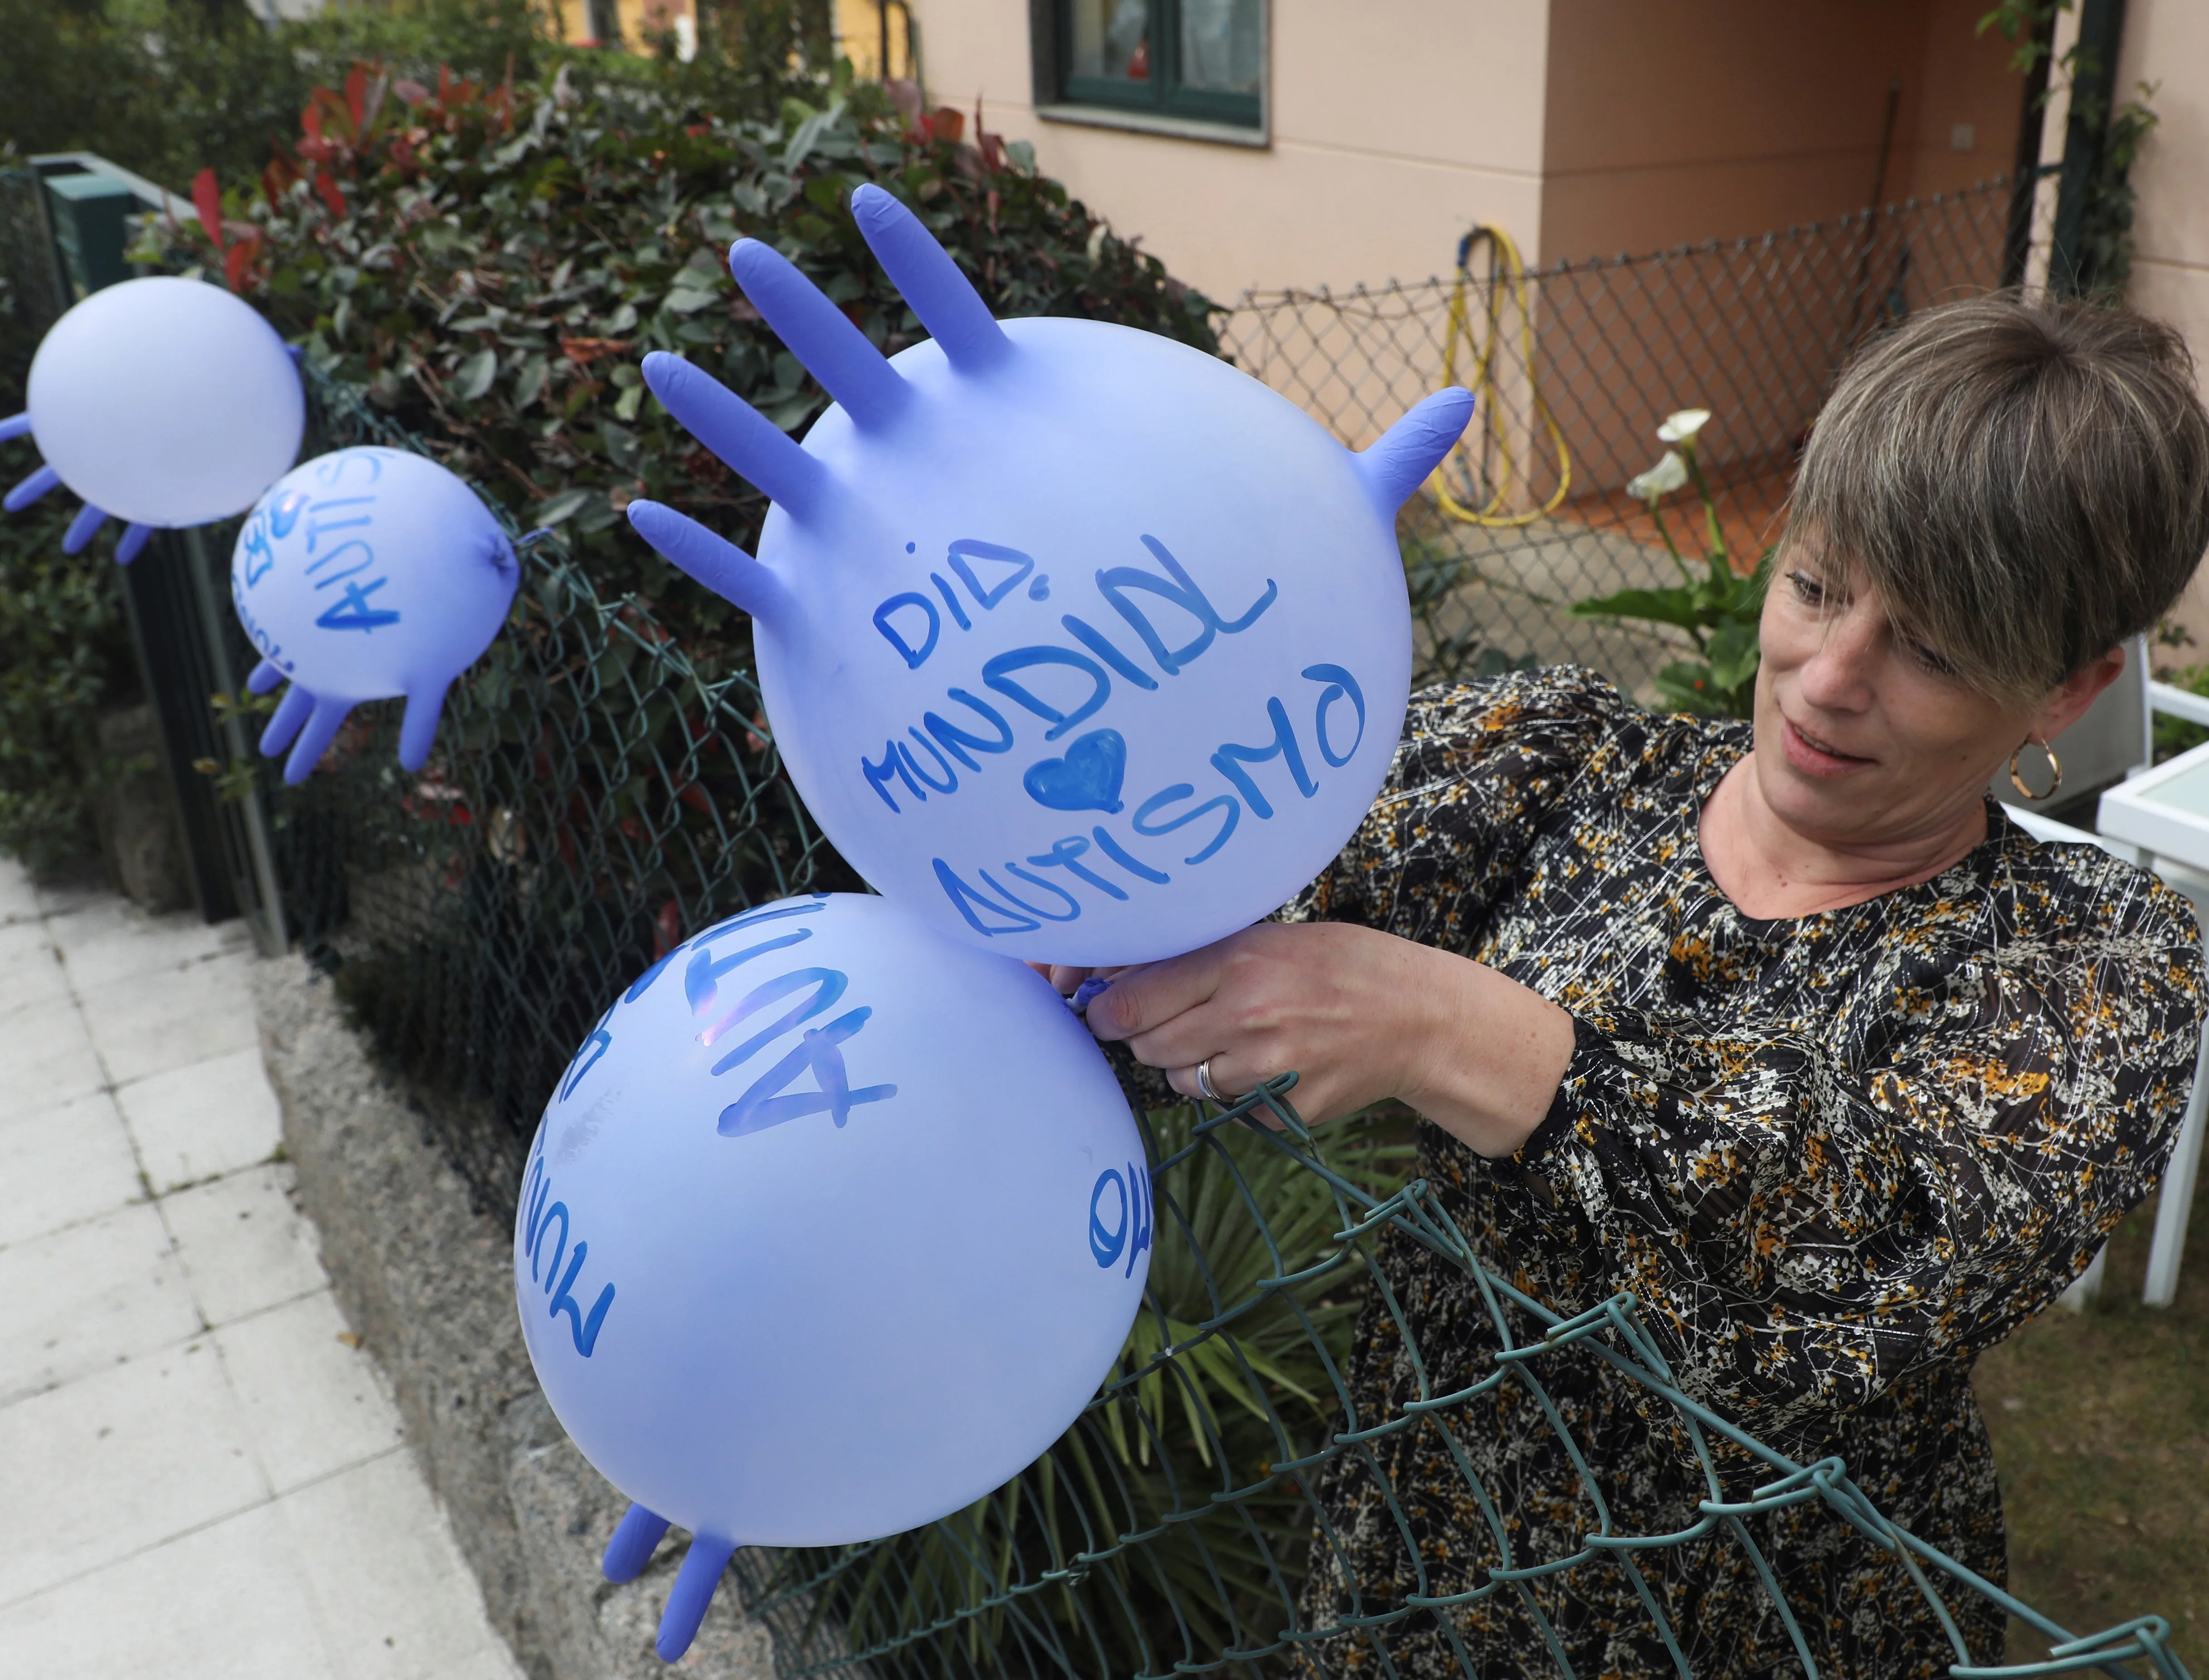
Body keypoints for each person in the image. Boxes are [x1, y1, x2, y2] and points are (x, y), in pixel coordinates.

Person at [1044, 293, 2209, 1676]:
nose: (1827, 679)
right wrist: (1109, 900)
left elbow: (1849, 1295)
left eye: (1935, 646)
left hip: (1761, 1620)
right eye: (1817, 584)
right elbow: (1216, 924)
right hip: (1422, 1558)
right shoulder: (1561, 768)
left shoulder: (2091, 963)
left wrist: (1454, 1029)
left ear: (2064, 692)